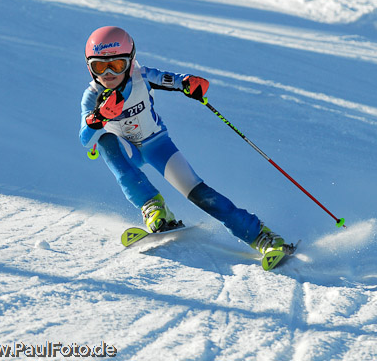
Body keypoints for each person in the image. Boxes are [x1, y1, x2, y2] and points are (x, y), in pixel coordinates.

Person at [79, 26, 291, 258]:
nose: (108, 73)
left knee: (201, 194)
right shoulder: (92, 96)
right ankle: (153, 206)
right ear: (89, 68)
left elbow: (177, 81)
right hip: (126, 151)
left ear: (130, 62)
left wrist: (191, 84)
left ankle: (262, 237)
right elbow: (84, 138)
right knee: (106, 142)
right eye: (99, 66)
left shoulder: (142, 77)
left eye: (117, 65)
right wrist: (98, 118)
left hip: (157, 145)